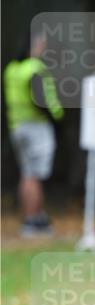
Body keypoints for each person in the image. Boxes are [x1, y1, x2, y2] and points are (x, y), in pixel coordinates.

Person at [3, 31, 63, 237]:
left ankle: (31, 216)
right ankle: (34, 218)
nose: (43, 48)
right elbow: (41, 100)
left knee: (27, 173)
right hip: (36, 126)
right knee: (35, 174)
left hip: (17, 126)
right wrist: (56, 120)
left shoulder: (12, 69)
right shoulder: (34, 69)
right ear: (33, 45)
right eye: (41, 44)